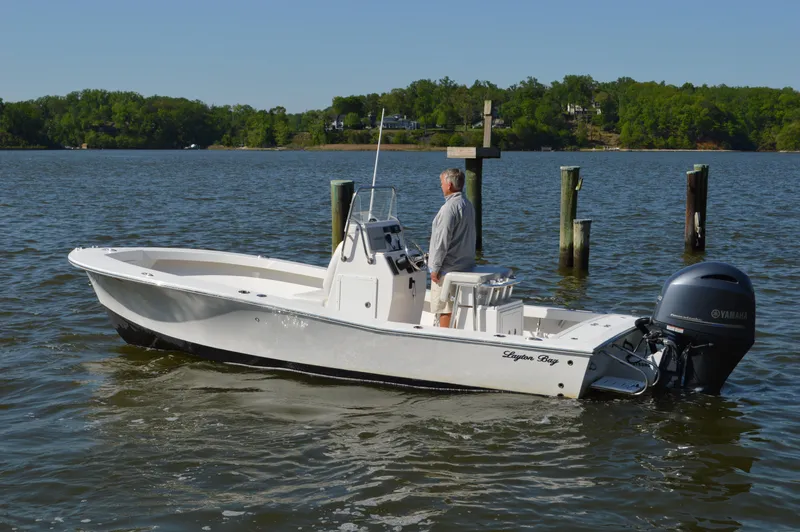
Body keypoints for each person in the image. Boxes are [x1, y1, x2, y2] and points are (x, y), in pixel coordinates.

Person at [428, 168, 476, 328]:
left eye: (441, 183)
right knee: (454, 307)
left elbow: (442, 241)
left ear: (449, 185)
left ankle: (444, 338)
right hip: (465, 265)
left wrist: (435, 267)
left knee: (445, 309)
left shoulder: (448, 208)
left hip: (448, 268)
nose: (441, 186)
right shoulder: (467, 204)